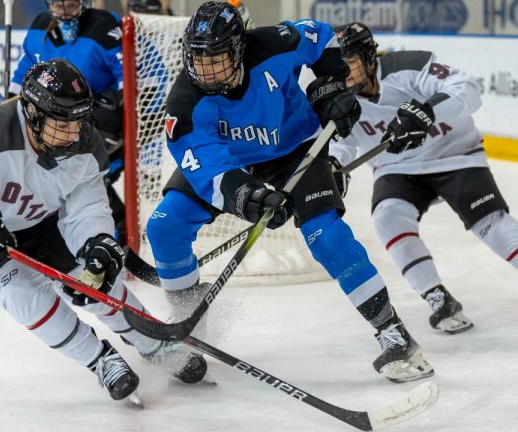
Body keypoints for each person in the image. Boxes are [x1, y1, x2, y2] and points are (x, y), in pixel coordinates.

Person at [145, 2, 434, 383]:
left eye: (216, 59)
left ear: (240, 48)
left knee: (326, 236)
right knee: (164, 227)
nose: (206, 71)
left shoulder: (275, 43)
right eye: (198, 61)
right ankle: (189, 323)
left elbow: (323, 35)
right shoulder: (185, 102)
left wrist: (329, 84)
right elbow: (205, 166)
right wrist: (245, 197)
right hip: (232, 164)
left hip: (296, 150)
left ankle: (394, 334)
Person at [0, 59, 208, 406]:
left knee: (92, 276)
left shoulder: (84, 144)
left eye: (79, 120)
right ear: (32, 112)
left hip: (28, 219)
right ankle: (99, 360)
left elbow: (86, 208)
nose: (74, 133)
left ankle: (155, 343)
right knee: (18, 287)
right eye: (62, 123)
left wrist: (96, 243)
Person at [329, 22, 518, 333]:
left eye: (349, 63)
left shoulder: (408, 67)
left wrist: (427, 111)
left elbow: (468, 90)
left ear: (369, 58)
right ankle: (437, 297)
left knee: (492, 224)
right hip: (398, 169)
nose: (344, 73)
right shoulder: (338, 97)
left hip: (455, 156)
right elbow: (341, 141)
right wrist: (333, 164)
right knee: (387, 218)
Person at [8, 0, 129, 245]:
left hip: (101, 120)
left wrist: (121, 120)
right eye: (57, 5)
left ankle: (116, 238)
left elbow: (128, 77)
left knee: (85, 178)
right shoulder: (40, 27)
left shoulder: (104, 26)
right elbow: (24, 74)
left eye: (71, 5)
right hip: (59, 124)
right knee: (63, 180)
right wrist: (10, 102)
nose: (64, 12)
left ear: (85, 3)